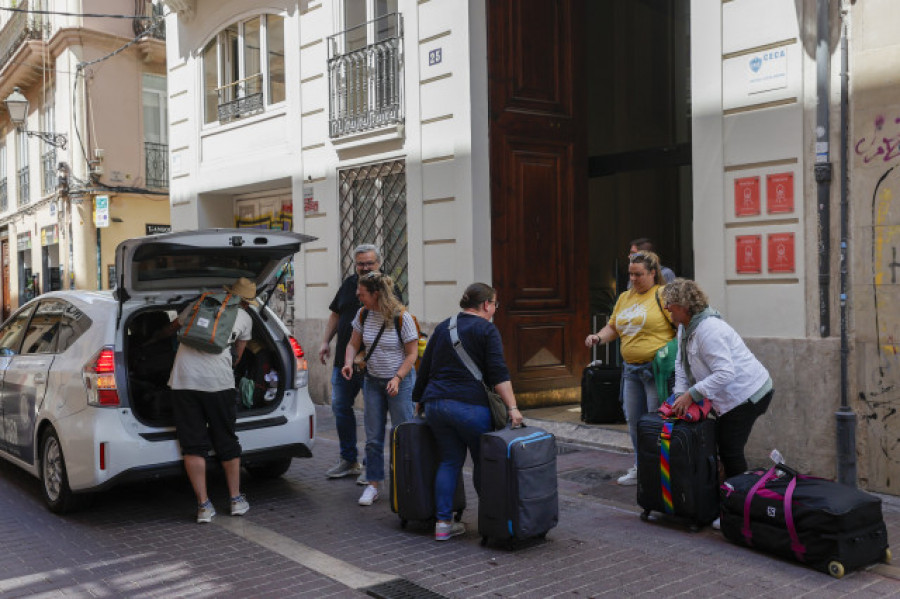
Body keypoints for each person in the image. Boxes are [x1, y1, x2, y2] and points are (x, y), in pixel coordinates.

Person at [413, 283, 523, 541]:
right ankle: (492, 522)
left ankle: (442, 525)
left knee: (449, 461)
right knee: (484, 465)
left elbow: (425, 367)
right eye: (495, 304)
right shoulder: (487, 329)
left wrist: (418, 399)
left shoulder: (442, 327)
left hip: (437, 405)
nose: (495, 309)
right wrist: (513, 408)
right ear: (486, 305)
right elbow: (498, 374)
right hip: (471, 409)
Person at [661, 278, 773, 480]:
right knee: (721, 444)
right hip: (730, 395)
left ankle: (737, 502)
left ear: (684, 306)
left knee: (730, 449)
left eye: (670, 305)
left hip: (748, 394)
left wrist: (691, 394)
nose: (667, 308)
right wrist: (679, 393)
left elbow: (725, 373)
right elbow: (680, 362)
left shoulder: (709, 329)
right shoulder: (684, 328)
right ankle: (726, 493)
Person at [168, 277, 255, 523]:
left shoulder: (199, 304)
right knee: (226, 440)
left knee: (193, 445)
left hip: (183, 380)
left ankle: (203, 506)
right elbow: (238, 355)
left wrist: (151, 340)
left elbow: (174, 327)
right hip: (218, 383)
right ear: (247, 302)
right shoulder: (245, 318)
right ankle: (236, 500)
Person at [585, 251, 675, 485]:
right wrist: (598, 337)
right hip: (631, 371)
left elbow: (680, 327)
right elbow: (613, 327)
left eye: (639, 274)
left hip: (656, 372)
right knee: (634, 422)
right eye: (631, 274)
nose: (633, 279)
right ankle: (641, 466)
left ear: (653, 273)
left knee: (655, 422)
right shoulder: (625, 297)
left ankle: (661, 468)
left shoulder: (663, 294)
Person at [341, 272, 418, 506]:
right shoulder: (363, 314)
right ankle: (373, 484)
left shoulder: (401, 317)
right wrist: (347, 362)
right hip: (373, 382)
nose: (358, 296)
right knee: (373, 439)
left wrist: (397, 377)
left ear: (375, 294)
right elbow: (353, 343)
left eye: (361, 293)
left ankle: (407, 482)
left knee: (402, 435)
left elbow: (412, 353)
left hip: (399, 384)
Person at [318, 244, 384, 482]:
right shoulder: (349, 284)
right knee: (340, 407)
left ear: (378, 263)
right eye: (360, 264)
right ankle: (349, 460)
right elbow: (336, 313)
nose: (365, 267)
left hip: (372, 365)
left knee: (372, 415)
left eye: (369, 263)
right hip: (343, 361)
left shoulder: (385, 287)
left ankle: (371, 466)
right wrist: (325, 341)